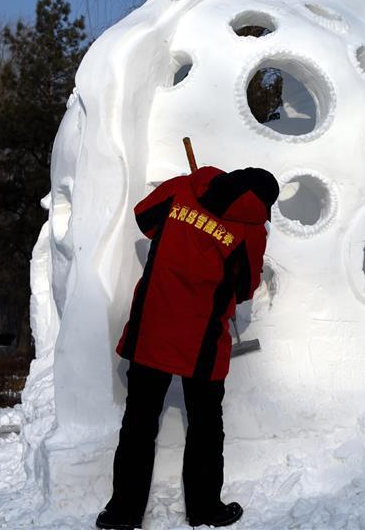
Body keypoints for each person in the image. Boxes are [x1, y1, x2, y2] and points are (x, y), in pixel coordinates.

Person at [96, 165, 279, 529]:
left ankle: (122, 514)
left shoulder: (183, 189)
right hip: (202, 340)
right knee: (206, 426)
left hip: (153, 325)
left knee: (139, 422)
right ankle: (205, 509)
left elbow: (144, 218)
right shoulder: (251, 231)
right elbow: (244, 286)